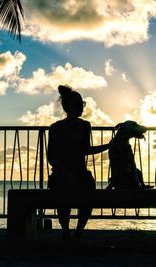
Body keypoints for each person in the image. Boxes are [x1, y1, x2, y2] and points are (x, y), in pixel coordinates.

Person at [47, 85, 109, 240]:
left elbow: (86, 150)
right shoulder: (56, 128)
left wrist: (109, 145)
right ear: (66, 107)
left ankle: (79, 231)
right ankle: (66, 231)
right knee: (62, 192)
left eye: (82, 103)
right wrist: (66, 173)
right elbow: (51, 158)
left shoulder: (85, 125)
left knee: (89, 189)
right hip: (61, 173)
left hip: (80, 172)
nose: (81, 107)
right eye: (77, 104)